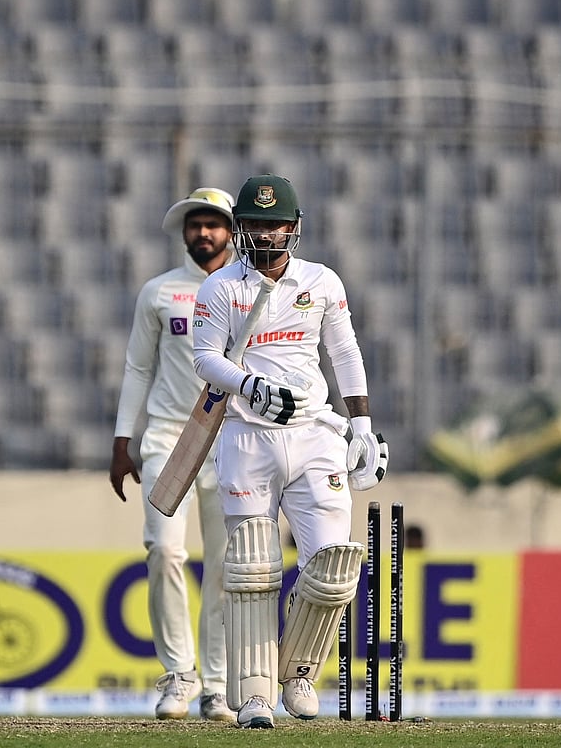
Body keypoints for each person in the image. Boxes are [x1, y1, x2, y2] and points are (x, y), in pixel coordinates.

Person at [191, 174, 388, 729]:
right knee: (252, 568)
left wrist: (363, 426)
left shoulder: (321, 281)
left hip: (315, 434)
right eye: (254, 224)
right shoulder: (221, 287)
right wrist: (249, 385)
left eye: (275, 225)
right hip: (246, 436)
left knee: (333, 565)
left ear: (294, 228)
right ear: (240, 229)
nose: (266, 235)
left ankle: (298, 672)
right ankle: (254, 693)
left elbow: (345, 351)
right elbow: (204, 359)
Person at [110, 187, 238, 722]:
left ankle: (214, 684)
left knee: (226, 568)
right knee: (165, 552)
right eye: (195, 224)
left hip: (231, 441)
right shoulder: (160, 292)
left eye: (213, 224)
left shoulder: (250, 292)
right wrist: (122, 441)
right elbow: (139, 367)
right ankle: (177, 675)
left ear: (232, 231)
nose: (203, 233)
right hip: (167, 438)